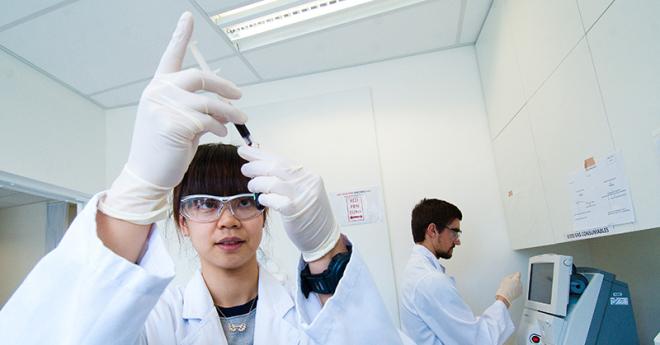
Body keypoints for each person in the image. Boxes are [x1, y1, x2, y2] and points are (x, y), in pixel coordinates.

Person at [0, 12, 411, 345]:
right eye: (203, 203)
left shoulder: (311, 316)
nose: (227, 220)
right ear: (181, 221)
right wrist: (136, 191)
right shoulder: (153, 324)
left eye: (244, 201)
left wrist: (326, 249)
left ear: (266, 214)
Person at [399, 198, 522, 345]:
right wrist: (504, 298)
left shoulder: (416, 271)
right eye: (454, 232)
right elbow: (478, 341)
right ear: (432, 231)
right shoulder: (430, 280)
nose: (457, 241)